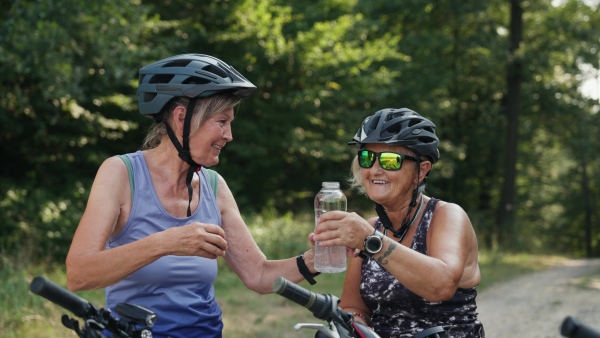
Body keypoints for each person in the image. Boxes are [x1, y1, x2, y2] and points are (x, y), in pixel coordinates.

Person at [65, 54, 319, 338]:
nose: (229, 135)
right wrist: (166, 242)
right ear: (181, 117)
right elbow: (79, 274)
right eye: (222, 121)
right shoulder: (121, 173)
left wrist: (318, 258)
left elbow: (258, 274)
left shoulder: (214, 185)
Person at [314, 108, 485, 337]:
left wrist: (370, 240)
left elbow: (441, 285)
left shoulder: (446, 215)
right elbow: (353, 306)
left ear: (421, 170)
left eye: (390, 160)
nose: (375, 169)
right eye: (367, 158)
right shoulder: (369, 227)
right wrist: (354, 323)